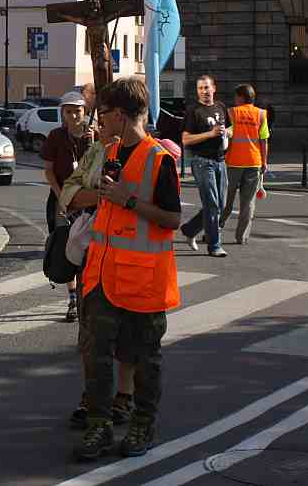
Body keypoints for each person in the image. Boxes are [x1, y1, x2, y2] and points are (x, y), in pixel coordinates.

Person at [75, 77, 182, 461]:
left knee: (144, 359)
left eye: (103, 113)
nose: (99, 120)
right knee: (96, 356)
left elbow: (172, 219)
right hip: (102, 278)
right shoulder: (109, 152)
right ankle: (99, 426)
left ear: (120, 114)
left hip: (142, 281)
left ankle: (142, 425)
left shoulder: (159, 159)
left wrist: (129, 200)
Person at [59, 113, 134, 432]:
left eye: (105, 122)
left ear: (123, 118)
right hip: (93, 250)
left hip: (128, 253)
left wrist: (122, 199)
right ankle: (92, 396)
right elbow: (69, 191)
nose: (98, 129)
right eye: (99, 122)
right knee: (90, 329)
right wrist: (100, 196)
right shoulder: (96, 151)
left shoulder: (145, 153)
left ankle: (124, 396)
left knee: (127, 329)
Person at [41, 91, 93, 321]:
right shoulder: (56, 136)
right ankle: (72, 298)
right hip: (61, 199)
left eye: (78, 111)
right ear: (62, 113)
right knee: (65, 245)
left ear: (85, 112)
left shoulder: (94, 135)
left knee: (88, 248)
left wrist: (96, 141)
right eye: (69, 111)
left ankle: (86, 296)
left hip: (88, 200)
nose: (73, 116)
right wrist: (61, 195)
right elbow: (49, 170)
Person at [180, 74, 231, 257]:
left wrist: (228, 133)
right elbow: (185, 139)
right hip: (202, 161)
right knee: (212, 205)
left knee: (220, 205)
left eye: (207, 87)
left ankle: (190, 229)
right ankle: (214, 245)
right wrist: (210, 134)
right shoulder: (194, 111)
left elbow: (230, 127)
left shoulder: (221, 107)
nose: (204, 91)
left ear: (214, 88)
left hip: (220, 160)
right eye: (200, 88)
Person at [220, 84, 269, 245]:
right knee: (247, 203)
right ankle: (241, 237)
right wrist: (264, 161)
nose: (234, 99)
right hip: (254, 162)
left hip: (233, 163)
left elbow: (225, 133)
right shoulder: (261, 114)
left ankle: (215, 230)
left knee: (225, 200)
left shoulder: (232, 112)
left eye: (236, 96)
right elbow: (264, 140)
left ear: (241, 97)